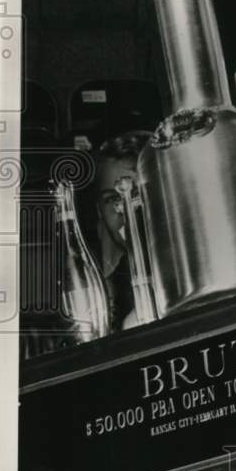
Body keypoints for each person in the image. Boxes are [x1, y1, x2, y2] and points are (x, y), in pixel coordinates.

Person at [87, 131, 152, 333]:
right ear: (100, 211)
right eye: (111, 199)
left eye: (136, 194)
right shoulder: (104, 298)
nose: (123, 208)